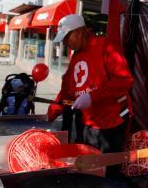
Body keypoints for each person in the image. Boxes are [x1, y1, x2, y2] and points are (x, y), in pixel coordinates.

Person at [47, 14, 133, 158]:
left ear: (79, 32)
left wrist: (92, 96)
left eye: (67, 37)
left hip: (112, 121)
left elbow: (125, 80)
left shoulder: (106, 46)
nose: (65, 42)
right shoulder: (76, 56)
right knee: (91, 167)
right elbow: (67, 89)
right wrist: (54, 109)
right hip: (89, 123)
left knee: (109, 169)